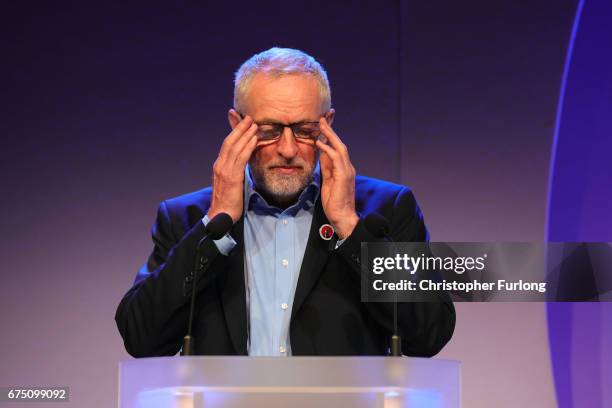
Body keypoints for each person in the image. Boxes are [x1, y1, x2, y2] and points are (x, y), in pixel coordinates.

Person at [115, 47, 455, 357]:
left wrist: (352, 230)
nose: (288, 149)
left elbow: (429, 333)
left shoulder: (386, 209)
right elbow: (141, 338)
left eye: (305, 129)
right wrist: (214, 227)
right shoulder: (186, 218)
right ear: (236, 126)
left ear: (327, 125)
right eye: (269, 130)